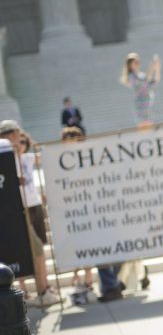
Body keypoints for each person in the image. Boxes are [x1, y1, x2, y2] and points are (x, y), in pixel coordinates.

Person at [0, 119, 60, 307]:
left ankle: (42, 289)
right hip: (14, 211)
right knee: (29, 252)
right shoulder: (4, 154)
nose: (19, 137)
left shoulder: (19, 154)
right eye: (15, 133)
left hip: (25, 208)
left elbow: (43, 157)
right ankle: (37, 290)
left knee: (37, 250)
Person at [59, 127, 97, 304]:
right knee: (75, 245)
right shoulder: (59, 162)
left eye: (74, 137)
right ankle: (78, 278)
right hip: (70, 211)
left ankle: (88, 281)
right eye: (68, 138)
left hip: (87, 208)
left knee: (89, 243)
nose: (71, 140)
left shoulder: (87, 158)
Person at [120, 52, 161, 126]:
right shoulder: (131, 77)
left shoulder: (141, 75)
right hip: (141, 108)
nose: (138, 64)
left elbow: (154, 81)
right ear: (130, 65)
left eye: (138, 62)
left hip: (149, 107)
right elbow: (145, 81)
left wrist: (157, 69)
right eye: (135, 62)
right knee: (145, 130)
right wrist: (151, 68)